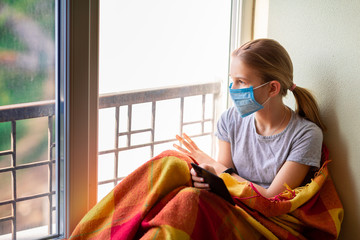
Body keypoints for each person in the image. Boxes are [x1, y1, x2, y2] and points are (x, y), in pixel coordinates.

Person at [174, 38, 326, 198]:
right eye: (232, 80)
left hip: (270, 217)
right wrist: (210, 174)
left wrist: (216, 167)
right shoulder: (229, 119)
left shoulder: (307, 135)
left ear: (272, 88)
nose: (233, 89)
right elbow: (226, 177)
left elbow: (271, 198)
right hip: (235, 203)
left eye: (241, 81)